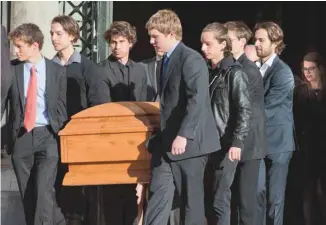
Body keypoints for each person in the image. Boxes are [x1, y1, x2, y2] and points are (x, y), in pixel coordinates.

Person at [143, 9, 220, 225]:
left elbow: (197, 100)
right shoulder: (165, 60)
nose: (151, 41)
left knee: (191, 204)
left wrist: (184, 135)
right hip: (167, 144)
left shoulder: (191, 59)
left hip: (191, 146)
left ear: (171, 34)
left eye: (155, 36)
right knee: (158, 196)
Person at [50, 15, 111, 225]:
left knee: (80, 192)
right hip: (53, 137)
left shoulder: (88, 68)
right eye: (52, 33)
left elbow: (99, 106)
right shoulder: (49, 66)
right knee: (57, 188)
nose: (54, 38)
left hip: (80, 139)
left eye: (59, 33)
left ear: (73, 36)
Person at [5, 23, 67, 225]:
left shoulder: (56, 71)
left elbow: (61, 107)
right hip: (21, 138)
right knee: (28, 197)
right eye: (14, 46)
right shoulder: (12, 70)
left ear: (34, 46)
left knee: (43, 191)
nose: (15, 51)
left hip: (47, 136)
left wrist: (61, 136)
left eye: (20, 46)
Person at [200, 22, 251, 225]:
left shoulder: (234, 73)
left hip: (225, 144)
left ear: (223, 44)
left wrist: (237, 141)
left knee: (220, 199)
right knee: (207, 198)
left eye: (208, 44)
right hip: (207, 144)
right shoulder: (208, 72)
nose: (203, 48)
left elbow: (244, 109)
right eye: (202, 44)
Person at [97, 21, 147, 225]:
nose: (117, 46)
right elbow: (104, 107)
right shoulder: (102, 69)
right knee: (112, 193)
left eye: (121, 41)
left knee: (133, 193)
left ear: (131, 43)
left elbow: (143, 103)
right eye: (113, 42)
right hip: (111, 138)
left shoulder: (140, 70)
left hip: (135, 139)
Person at [224, 21, 267, 225]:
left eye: (228, 40)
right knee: (233, 199)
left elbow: (245, 111)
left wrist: (237, 141)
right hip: (238, 141)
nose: (224, 43)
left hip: (248, 143)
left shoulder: (247, 70)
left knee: (246, 201)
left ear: (242, 41)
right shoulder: (231, 66)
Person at [254, 21, 295, 225]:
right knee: (257, 194)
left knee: (275, 201)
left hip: (278, 144)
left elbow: (267, 108)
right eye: (256, 40)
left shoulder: (283, 72)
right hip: (259, 143)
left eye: (262, 40)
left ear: (275, 42)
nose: (257, 44)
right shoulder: (256, 67)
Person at [293, 52, 326, 225]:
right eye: (305, 69)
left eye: (311, 68)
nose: (308, 73)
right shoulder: (301, 91)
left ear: (320, 68)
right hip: (307, 148)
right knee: (308, 192)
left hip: (323, 148)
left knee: (321, 191)